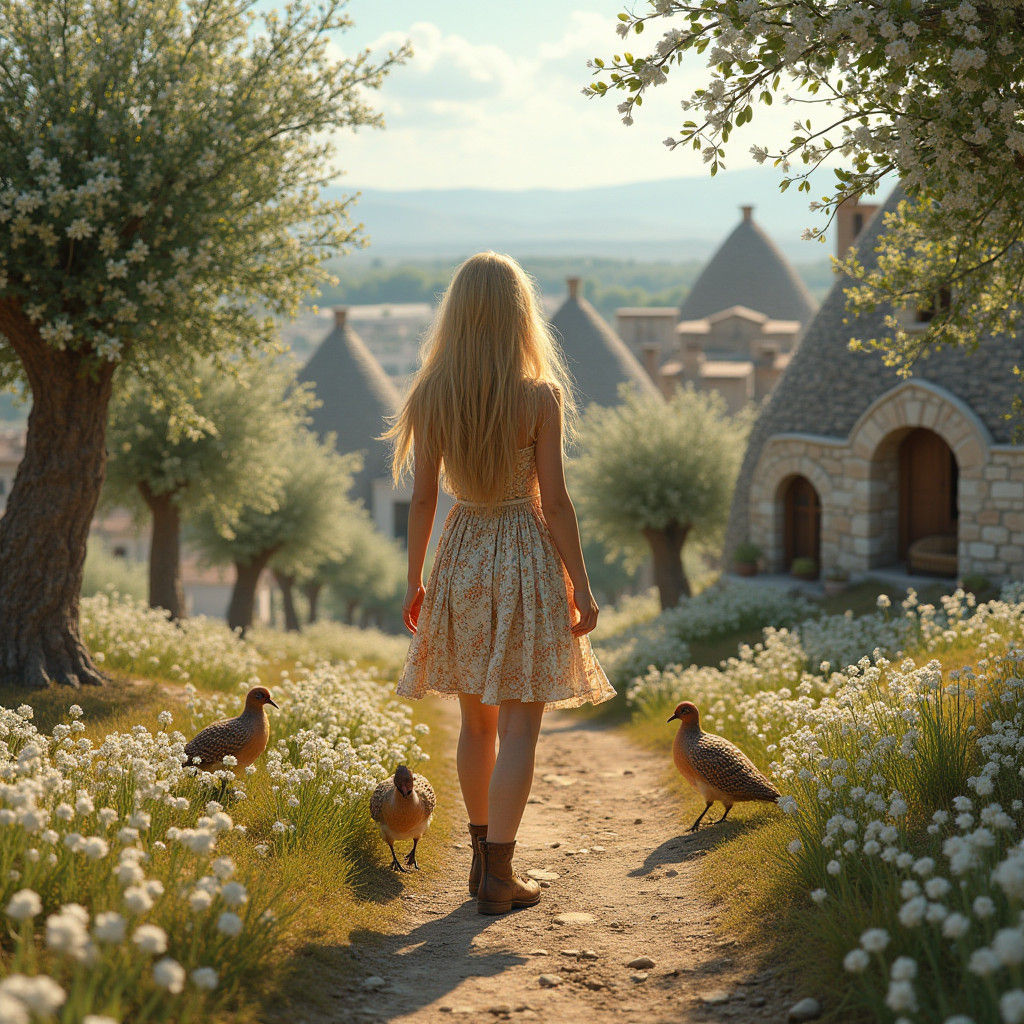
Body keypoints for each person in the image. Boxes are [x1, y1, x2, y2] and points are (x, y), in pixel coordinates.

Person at [384, 252, 615, 915]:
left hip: (462, 554)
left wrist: (415, 581)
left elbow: (424, 501)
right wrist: (583, 585)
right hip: (525, 555)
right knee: (520, 728)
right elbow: (557, 504)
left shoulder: (432, 395)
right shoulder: (540, 397)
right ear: (520, 315)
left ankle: (482, 864)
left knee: (475, 726)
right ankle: (499, 877)